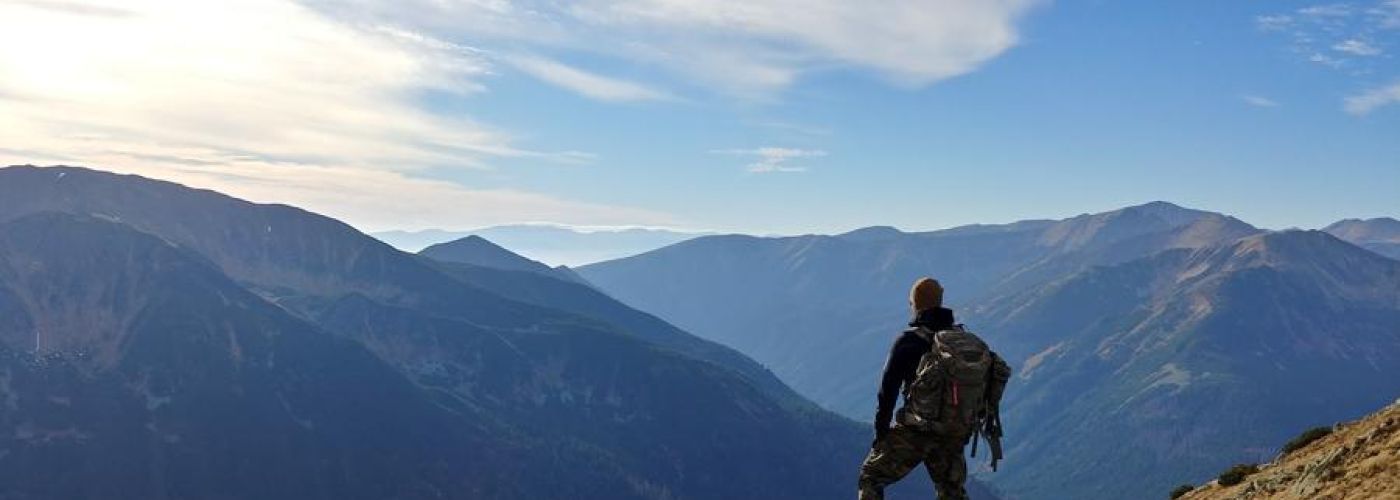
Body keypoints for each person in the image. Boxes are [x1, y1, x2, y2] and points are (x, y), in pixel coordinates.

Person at [857, 277, 1011, 500]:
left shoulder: (908, 341)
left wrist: (881, 433)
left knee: (870, 477)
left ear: (915, 305)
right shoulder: (964, 342)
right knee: (952, 492)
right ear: (940, 301)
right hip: (952, 431)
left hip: (916, 431)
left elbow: (887, 391)